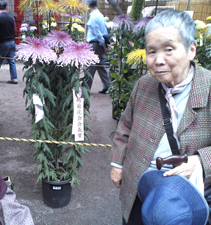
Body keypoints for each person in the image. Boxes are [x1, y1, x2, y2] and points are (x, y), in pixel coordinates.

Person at [110, 10, 211, 224]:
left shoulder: (208, 88)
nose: (158, 60)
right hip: (140, 183)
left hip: (184, 195)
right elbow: (124, 128)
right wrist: (117, 166)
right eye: (152, 51)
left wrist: (201, 162)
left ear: (191, 49)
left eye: (169, 49)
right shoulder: (144, 84)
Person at [85, 0, 110, 94]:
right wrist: (104, 44)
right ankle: (107, 86)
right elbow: (104, 31)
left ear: (88, 5)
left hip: (95, 44)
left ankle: (85, 89)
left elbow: (98, 34)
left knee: (90, 66)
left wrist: (102, 44)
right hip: (99, 44)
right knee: (101, 66)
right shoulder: (100, 15)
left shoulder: (93, 17)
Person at [0, 0, 18, 84]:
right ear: (6, 7)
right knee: (12, 60)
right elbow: (15, 31)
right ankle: (14, 78)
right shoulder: (11, 18)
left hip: (2, 42)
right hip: (11, 42)